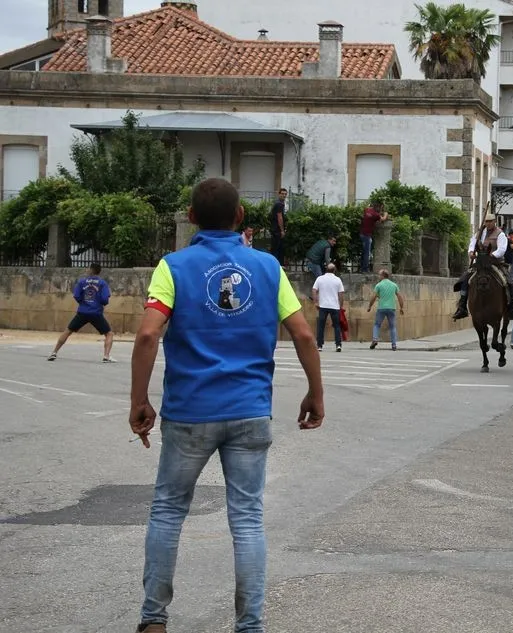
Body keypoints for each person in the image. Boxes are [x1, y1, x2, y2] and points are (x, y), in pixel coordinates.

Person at [129, 177, 325, 633]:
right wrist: (315, 392)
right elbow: (303, 334)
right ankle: (249, 625)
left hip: (189, 412)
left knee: (168, 511)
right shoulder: (268, 267)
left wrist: (139, 400)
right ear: (240, 217)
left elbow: (147, 334)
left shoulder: (172, 267)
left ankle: (154, 620)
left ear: (191, 218)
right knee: (248, 518)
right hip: (250, 411)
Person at [452, 212, 513, 320]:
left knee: (509, 283)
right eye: (486, 221)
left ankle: (511, 308)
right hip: (480, 263)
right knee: (465, 280)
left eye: (490, 221)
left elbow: (502, 249)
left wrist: (491, 255)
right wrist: (471, 252)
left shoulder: (500, 234)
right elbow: (472, 243)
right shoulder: (480, 232)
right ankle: (462, 307)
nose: (488, 223)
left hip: (495, 263)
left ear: (494, 222)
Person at [47, 262, 116, 363]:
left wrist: (83, 303)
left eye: (88, 268)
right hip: (96, 313)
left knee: (68, 331)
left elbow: (76, 295)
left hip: (82, 312)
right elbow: (105, 299)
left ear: (91, 270)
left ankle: (54, 352)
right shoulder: (102, 283)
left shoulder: (82, 282)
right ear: (99, 271)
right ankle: (106, 356)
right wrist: (98, 303)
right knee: (109, 334)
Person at [367, 269, 404, 351]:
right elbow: (400, 297)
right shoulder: (394, 285)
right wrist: (401, 307)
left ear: (383, 276)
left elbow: (373, 297)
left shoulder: (378, 285)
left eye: (379, 275)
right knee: (392, 326)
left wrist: (370, 306)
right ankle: (394, 344)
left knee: (377, 324)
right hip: (391, 308)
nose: (379, 276)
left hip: (381, 308)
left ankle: (375, 339)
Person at [312, 263, 345, 352]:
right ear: (334, 270)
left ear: (326, 269)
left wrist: (315, 302)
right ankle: (338, 345)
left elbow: (314, 290)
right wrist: (341, 305)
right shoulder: (338, 280)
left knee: (321, 326)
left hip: (323, 306)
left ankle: (319, 345)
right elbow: (341, 294)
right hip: (335, 306)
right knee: (337, 326)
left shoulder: (320, 279)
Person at [359, 202, 389, 273]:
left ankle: (362, 268)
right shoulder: (376, 215)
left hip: (362, 233)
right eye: (381, 208)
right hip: (367, 235)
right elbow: (383, 219)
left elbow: (366, 212)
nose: (381, 210)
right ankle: (365, 269)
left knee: (364, 252)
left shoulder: (367, 210)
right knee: (367, 253)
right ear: (378, 207)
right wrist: (386, 214)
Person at [269, 187, 288, 265]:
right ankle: (277, 265)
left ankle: (278, 265)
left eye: (285, 194)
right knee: (278, 249)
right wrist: (282, 230)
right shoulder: (279, 204)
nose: (284, 195)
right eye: (282, 194)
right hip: (277, 230)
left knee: (278, 249)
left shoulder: (279, 203)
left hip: (275, 230)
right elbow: (279, 217)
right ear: (279, 194)